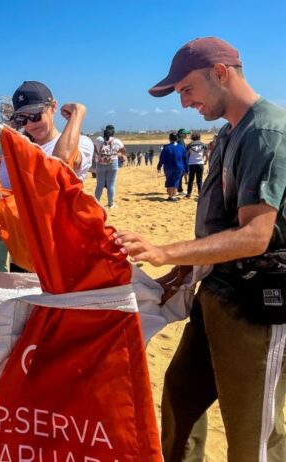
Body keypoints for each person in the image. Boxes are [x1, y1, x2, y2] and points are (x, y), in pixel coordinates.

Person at [117, 37, 286, 462]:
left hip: (257, 306)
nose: (184, 103)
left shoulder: (267, 132)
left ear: (221, 74)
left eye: (187, 89)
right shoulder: (230, 134)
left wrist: (164, 251)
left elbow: (255, 235)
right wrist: (185, 270)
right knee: (179, 401)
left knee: (254, 436)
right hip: (216, 291)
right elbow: (218, 220)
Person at [0, 81, 94, 271]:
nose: (30, 125)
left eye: (36, 116)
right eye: (22, 119)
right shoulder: (13, 155)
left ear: (53, 107)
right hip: (23, 256)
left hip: (64, 255)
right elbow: (2, 207)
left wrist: (78, 113)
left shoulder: (82, 143)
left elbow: (60, 162)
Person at [93, 124, 127, 209]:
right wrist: (117, 153)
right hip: (113, 163)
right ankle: (111, 204)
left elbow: (95, 150)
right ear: (113, 132)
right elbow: (124, 151)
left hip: (100, 163)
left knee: (99, 185)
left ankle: (96, 203)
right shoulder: (117, 141)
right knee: (111, 185)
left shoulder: (98, 140)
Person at [157, 132, 188, 201]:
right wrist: (187, 169)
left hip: (168, 167)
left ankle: (170, 195)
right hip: (179, 167)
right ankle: (173, 196)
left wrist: (159, 166)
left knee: (169, 180)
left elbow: (162, 158)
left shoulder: (166, 147)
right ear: (177, 139)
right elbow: (185, 159)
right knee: (176, 181)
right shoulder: (181, 147)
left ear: (169, 139)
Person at [185, 132, 208, 198]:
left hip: (191, 163)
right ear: (199, 137)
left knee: (191, 180)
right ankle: (200, 193)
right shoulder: (203, 145)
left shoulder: (189, 145)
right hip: (200, 163)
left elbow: (186, 155)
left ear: (192, 138)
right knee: (199, 180)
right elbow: (206, 154)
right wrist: (206, 161)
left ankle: (189, 194)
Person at [176, 128, 190, 194]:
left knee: (179, 175)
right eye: (185, 134)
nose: (186, 135)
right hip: (180, 160)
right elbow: (182, 151)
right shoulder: (181, 140)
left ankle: (178, 188)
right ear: (180, 134)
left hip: (178, 160)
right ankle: (180, 189)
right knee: (180, 175)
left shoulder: (179, 140)